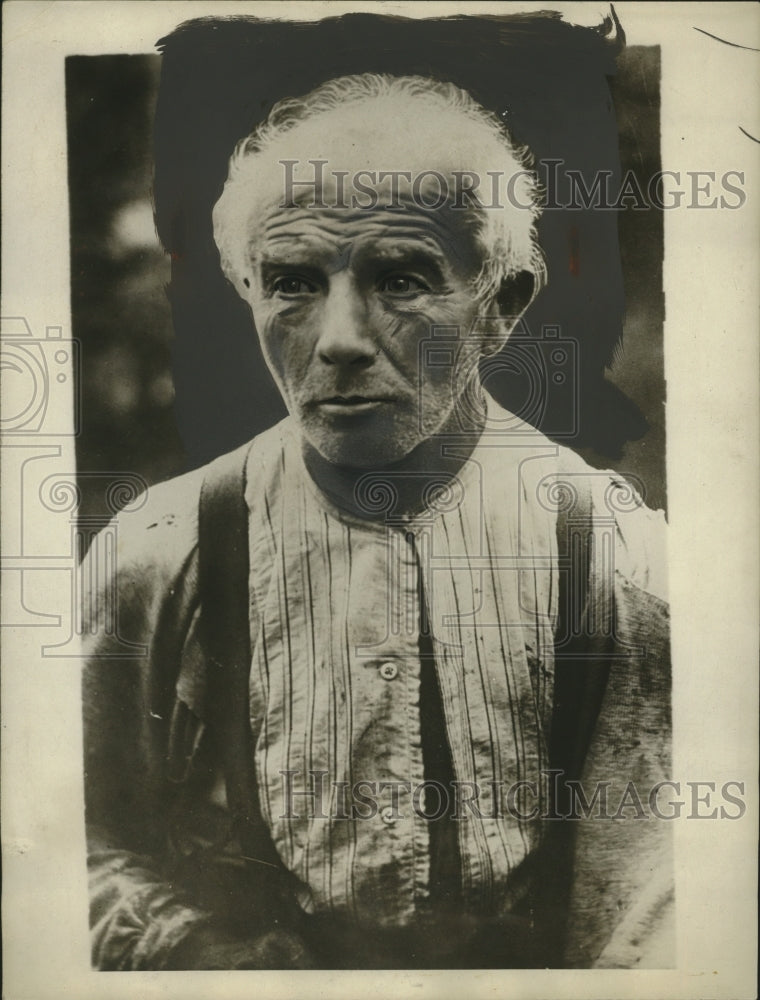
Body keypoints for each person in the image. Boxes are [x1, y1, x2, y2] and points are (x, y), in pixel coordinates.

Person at [81, 73, 672, 971]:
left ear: (502, 307)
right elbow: (61, 844)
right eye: (292, 282)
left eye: (400, 280)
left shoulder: (617, 559)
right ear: (248, 293)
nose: (341, 338)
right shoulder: (159, 554)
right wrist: (198, 952)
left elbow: (665, 896)